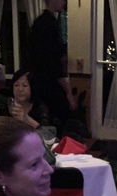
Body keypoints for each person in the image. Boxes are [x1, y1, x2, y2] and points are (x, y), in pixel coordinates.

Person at [30, 0, 76, 136]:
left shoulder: (40, 22)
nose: (64, 2)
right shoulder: (49, 24)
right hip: (49, 85)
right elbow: (54, 63)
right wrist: (68, 93)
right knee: (59, 123)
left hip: (40, 82)